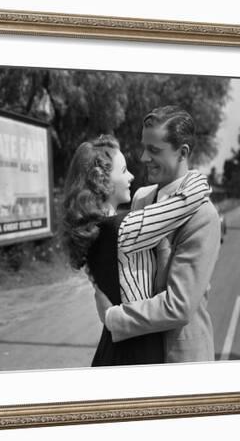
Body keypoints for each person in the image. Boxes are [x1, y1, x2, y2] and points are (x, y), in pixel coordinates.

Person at [61, 134, 211, 366]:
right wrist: (193, 173)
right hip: (136, 353)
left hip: (113, 348)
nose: (131, 176)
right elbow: (187, 200)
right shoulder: (124, 229)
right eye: (123, 171)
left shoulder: (92, 230)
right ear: (102, 178)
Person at [93, 106, 222, 363]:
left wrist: (113, 317)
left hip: (178, 358)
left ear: (182, 152)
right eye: (144, 147)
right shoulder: (141, 197)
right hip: (136, 350)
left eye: (154, 150)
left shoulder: (203, 216)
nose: (143, 157)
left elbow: (179, 306)